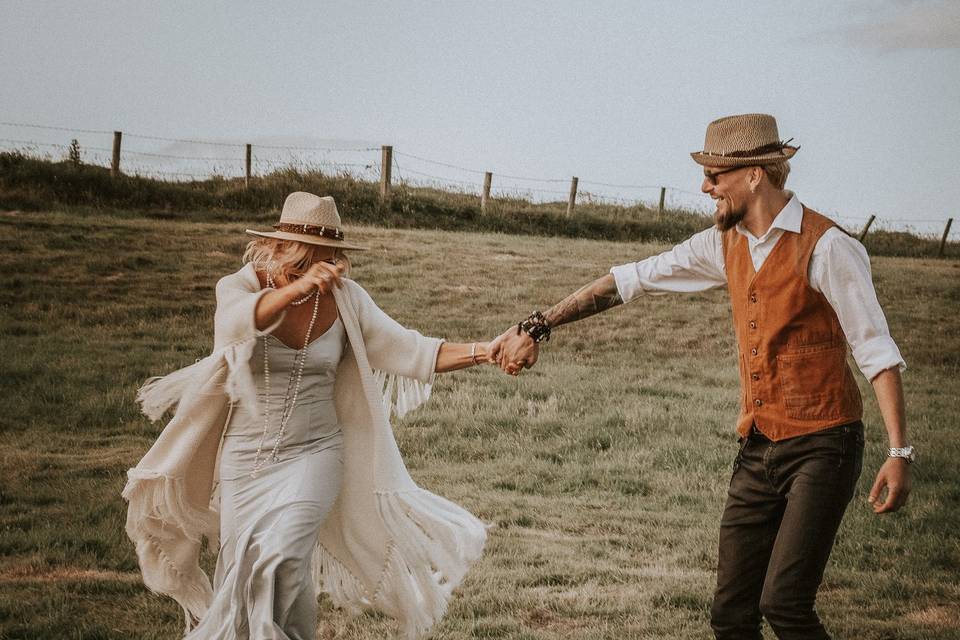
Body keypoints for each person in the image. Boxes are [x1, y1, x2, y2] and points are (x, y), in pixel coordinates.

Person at [490, 113, 913, 640]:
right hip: (759, 447)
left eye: (715, 174)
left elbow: (876, 350)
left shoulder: (827, 246)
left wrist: (898, 453)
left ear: (754, 174)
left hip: (825, 445)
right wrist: (538, 325)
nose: (705, 185)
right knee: (730, 616)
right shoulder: (722, 244)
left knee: (784, 604)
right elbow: (630, 280)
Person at [123, 192, 490, 640]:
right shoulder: (237, 288)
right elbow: (240, 322)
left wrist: (487, 351)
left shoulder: (347, 300)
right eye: (301, 263)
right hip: (246, 461)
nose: (316, 272)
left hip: (316, 453)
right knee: (245, 567)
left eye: (326, 260)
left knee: (284, 556)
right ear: (276, 249)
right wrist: (296, 288)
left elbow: (412, 349)